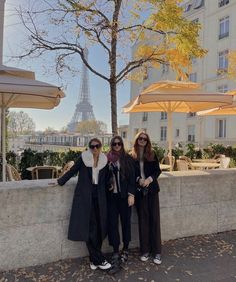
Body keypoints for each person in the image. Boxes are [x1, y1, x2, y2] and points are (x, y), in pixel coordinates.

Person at [49, 138, 111, 271]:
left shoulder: (105, 161)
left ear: (101, 147)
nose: (94, 149)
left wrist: (111, 185)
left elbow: (107, 179)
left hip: (100, 197)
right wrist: (60, 181)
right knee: (89, 229)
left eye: (97, 146)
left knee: (99, 228)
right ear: (89, 147)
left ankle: (93, 260)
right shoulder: (83, 158)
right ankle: (99, 259)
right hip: (85, 197)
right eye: (92, 146)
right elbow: (72, 171)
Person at [130, 132, 162, 265]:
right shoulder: (131, 156)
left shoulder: (152, 154)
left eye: (145, 139)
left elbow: (157, 170)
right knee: (143, 221)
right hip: (139, 191)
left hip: (152, 190)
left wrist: (149, 179)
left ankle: (157, 252)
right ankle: (145, 251)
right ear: (136, 140)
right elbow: (130, 173)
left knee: (154, 220)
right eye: (140, 139)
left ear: (148, 141)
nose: (142, 141)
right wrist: (138, 179)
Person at [106, 136, 135, 274]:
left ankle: (126, 248)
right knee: (112, 224)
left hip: (124, 198)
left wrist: (131, 194)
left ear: (122, 145)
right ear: (111, 145)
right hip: (112, 197)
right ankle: (115, 250)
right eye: (114, 144)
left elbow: (132, 178)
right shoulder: (106, 159)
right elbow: (103, 177)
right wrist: (108, 184)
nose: (117, 145)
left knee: (125, 223)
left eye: (119, 143)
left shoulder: (127, 159)